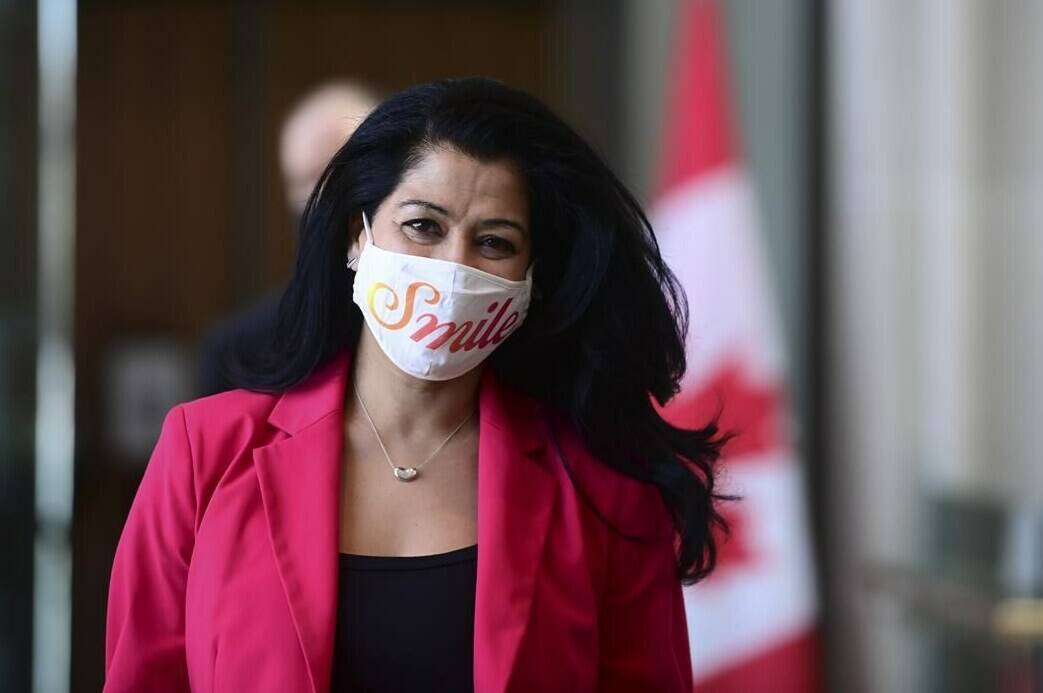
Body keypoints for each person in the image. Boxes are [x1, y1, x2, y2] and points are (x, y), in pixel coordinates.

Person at [104, 77, 734, 692]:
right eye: (422, 226)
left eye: (494, 241)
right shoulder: (205, 454)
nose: (452, 268)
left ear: (531, 280)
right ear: (358, 236)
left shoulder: (603, 488)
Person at [198, 80, 380, 397]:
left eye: (344, 168)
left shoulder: (439, 323)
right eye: (309, 177)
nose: (326, 192)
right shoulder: (239, 350)